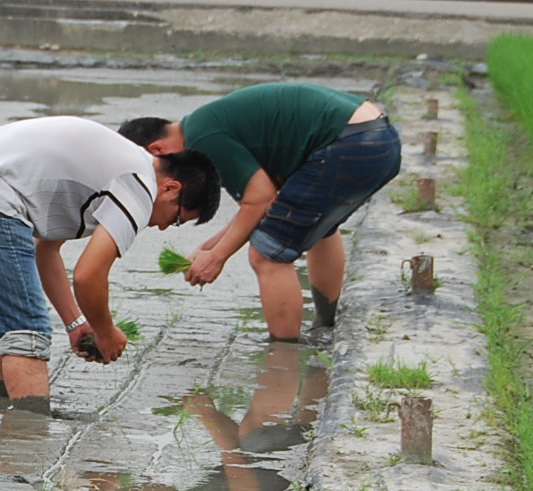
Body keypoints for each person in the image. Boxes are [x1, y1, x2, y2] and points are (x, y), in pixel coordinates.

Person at [0, 117, 220, 409]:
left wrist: (76, 323)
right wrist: (106, 332)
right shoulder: (141, 184)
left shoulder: (124, 164)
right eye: (175, 219)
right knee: (27, 333)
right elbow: (89, 275)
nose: (163, 227)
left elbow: (44, 252)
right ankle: (27, 439)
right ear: (171, 189)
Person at [120, 82, 401, 341]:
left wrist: (217, 257)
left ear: (157, 150)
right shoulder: (205, 124)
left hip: (353, 143)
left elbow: (260, 200)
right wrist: (209, 247)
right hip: (377, 138)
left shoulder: (203, 138)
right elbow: (260, 204)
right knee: (319, 229)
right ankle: (326, 327)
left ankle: (285, 351)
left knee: (267, 253)